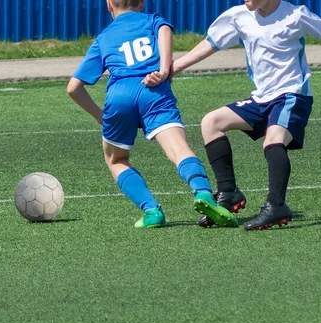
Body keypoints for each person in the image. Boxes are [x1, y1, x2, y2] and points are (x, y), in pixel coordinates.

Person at [145, 0, 321, 230]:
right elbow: (210, 44)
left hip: (292, 95)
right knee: (211, 122)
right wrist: (171, 69)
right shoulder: (238, 16)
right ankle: (228, 192)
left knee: (273, 140)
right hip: (261, 98)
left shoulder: (295, 15)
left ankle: (277, 206)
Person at [67, 0, 238, 228]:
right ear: (141, 3)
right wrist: (164, 70)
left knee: (116, 160)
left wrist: (101, 116)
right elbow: (164, 30)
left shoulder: (103, 37)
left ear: (109, 4)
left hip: (119, 97)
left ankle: (151, 210)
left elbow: (73, 88)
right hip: (154, 91)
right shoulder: (153, 21)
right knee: (178, 149)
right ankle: (204, 194)